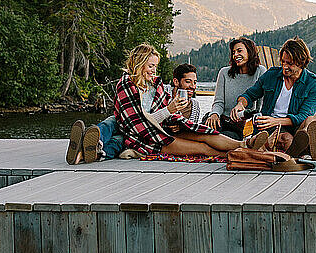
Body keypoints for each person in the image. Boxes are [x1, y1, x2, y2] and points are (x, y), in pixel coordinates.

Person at [66, 44, 268, 164]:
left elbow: (166, 114)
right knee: (202, 149)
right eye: (151, 65)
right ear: (139, 64)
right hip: (149, 138)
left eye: (155, 66)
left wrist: (174, 118)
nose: (154, 70)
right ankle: (240, 155)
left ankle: (245, 145)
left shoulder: (157, 85)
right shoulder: (126, 85)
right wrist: (168, 111)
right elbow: (136, 125)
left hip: (166, 129)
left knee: (206, 134)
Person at [230, 37, 316, 159]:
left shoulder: (314, 83)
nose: (285, 67)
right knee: (287, 138)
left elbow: (303, 116)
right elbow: (249, 94)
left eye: (289, 63)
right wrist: (240, 104)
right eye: (283, 62)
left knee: (314, 119)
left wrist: (275, 120)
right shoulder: (272, 75)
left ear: (301, 62)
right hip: (271, 128)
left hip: (296, 126)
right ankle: (305, 153)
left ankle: (306, 144)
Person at [203, 37, 266, 139]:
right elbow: (219, 102)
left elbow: (260, 106)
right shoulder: (224, 72)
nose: (235, 55)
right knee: (206, 128)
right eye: (233, 52)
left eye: (239, 51)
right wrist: (214, 114)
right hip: (221, 120)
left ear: (249, 52)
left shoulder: (260, 71)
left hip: (241, 126)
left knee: (225, 138)